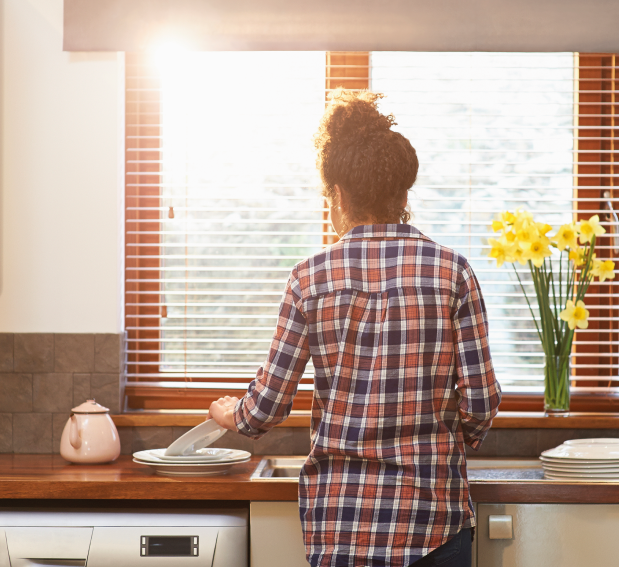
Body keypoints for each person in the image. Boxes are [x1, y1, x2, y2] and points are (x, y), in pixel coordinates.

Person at [209, 89, 501, 567]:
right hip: (432, 522)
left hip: (342, 524)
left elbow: (266, 408)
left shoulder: (310, 278)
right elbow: (482, 402)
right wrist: (450, 435)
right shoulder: (453, 273)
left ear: (338, 195)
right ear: (403, 194)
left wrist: (231, 415)